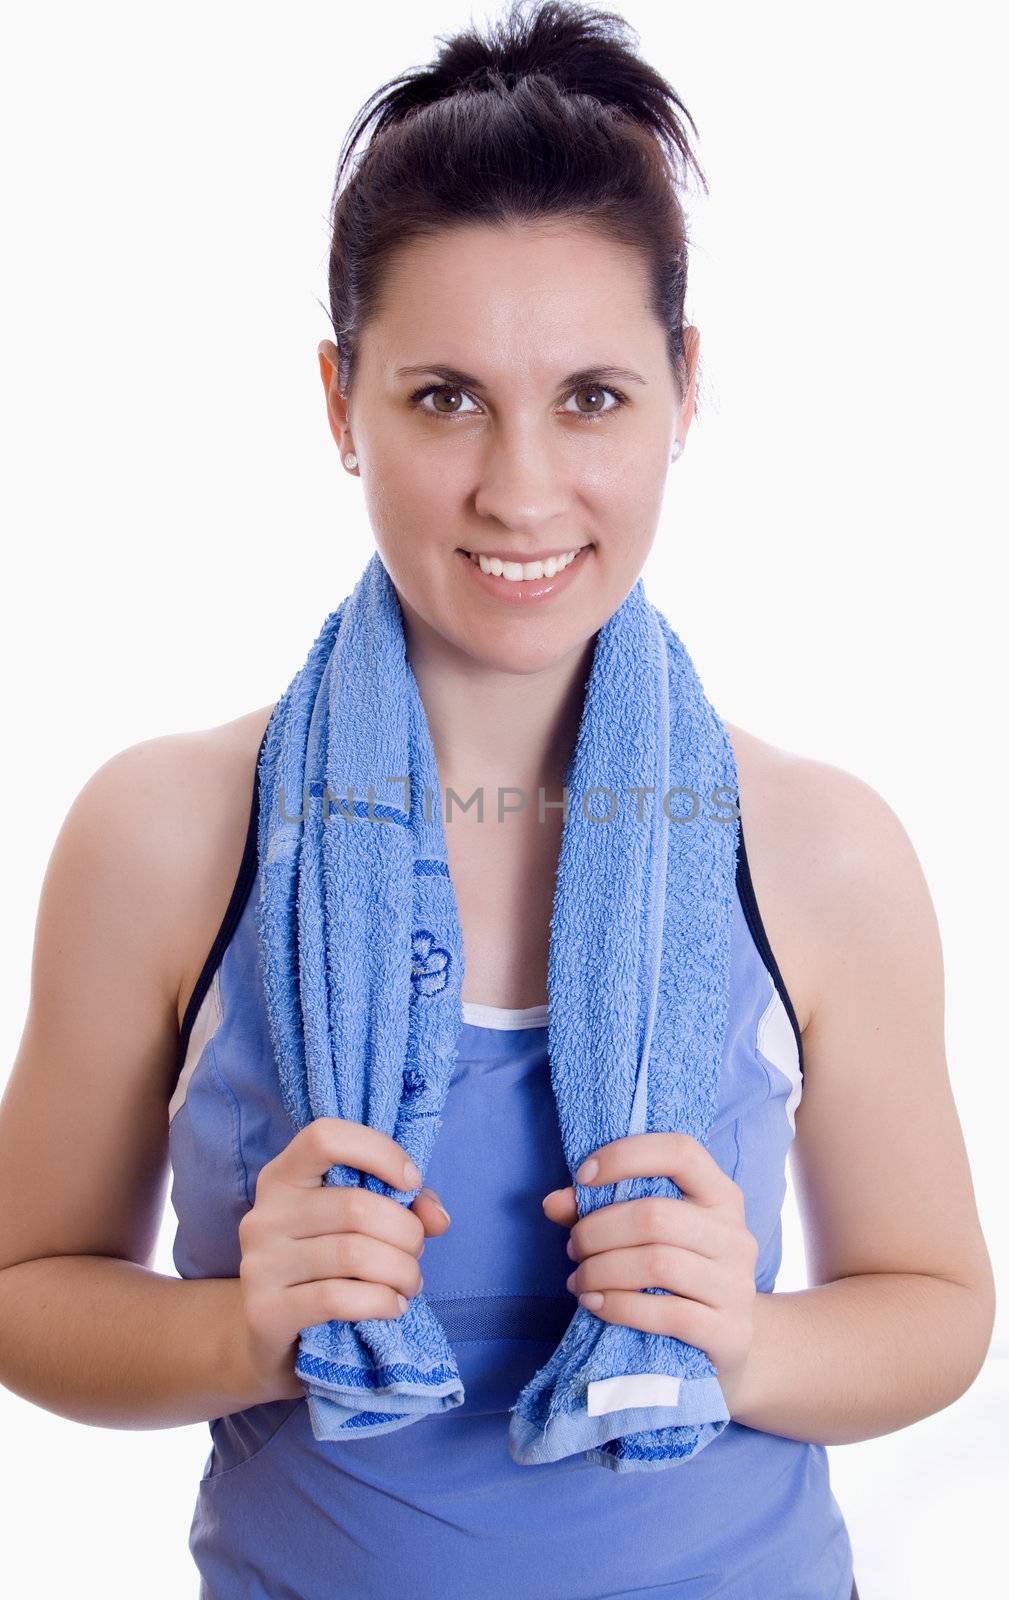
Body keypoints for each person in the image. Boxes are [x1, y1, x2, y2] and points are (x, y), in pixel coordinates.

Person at [0, 2, 994, 1596]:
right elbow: (28, 1289)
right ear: (341, 405)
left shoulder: (819, 844)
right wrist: (240, 1324)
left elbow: (936, 1305)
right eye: (443, 397)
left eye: (592, 397)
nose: (521, 488)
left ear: (682, 388)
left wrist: (740, 1344)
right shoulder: (166, 831)